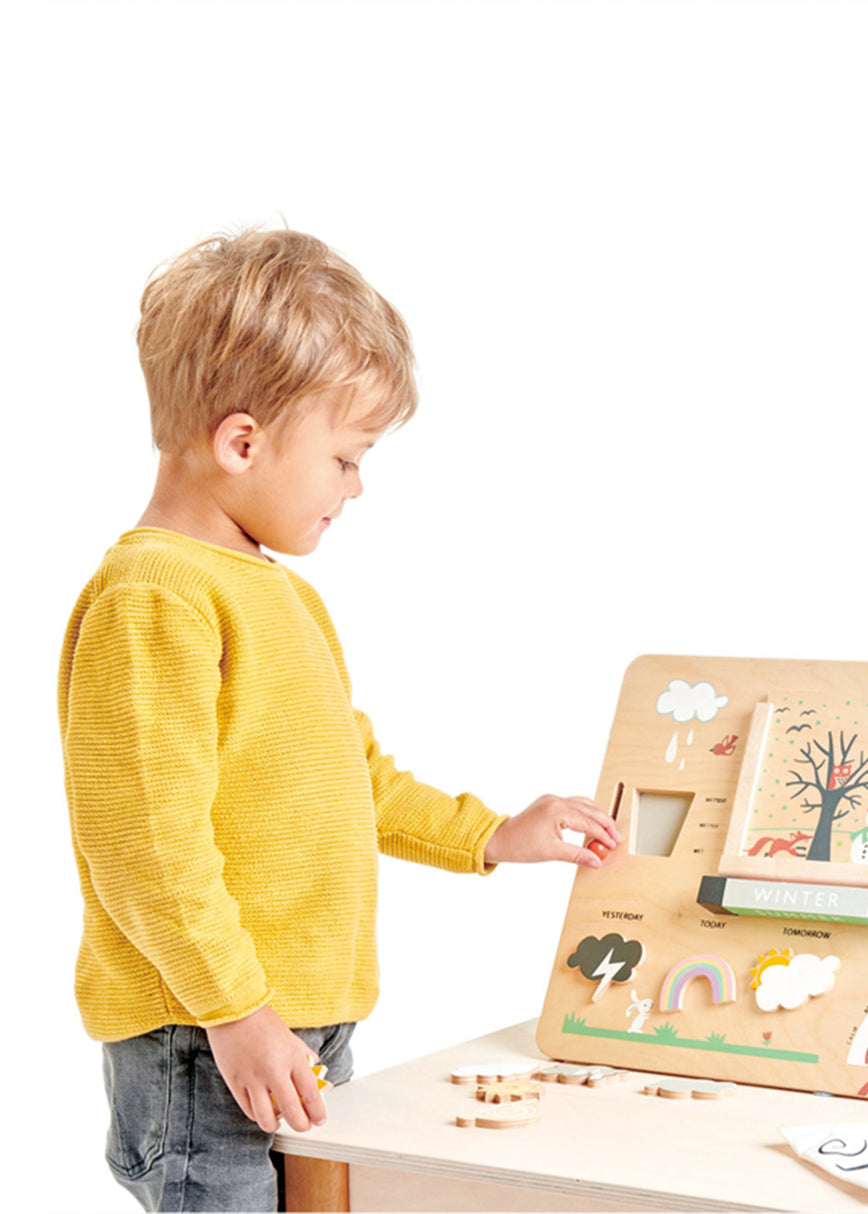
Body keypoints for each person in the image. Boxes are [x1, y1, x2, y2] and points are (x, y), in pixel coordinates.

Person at [58, 227, 619, 1212]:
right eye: (346, 457)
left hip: (300, 1021)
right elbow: (146, 843)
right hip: (206, 1031)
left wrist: (489, 832)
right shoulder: (156, 595)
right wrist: (233, 1005)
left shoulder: (279, 595)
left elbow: (349, 774)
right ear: (243, 442)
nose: (356, 486)